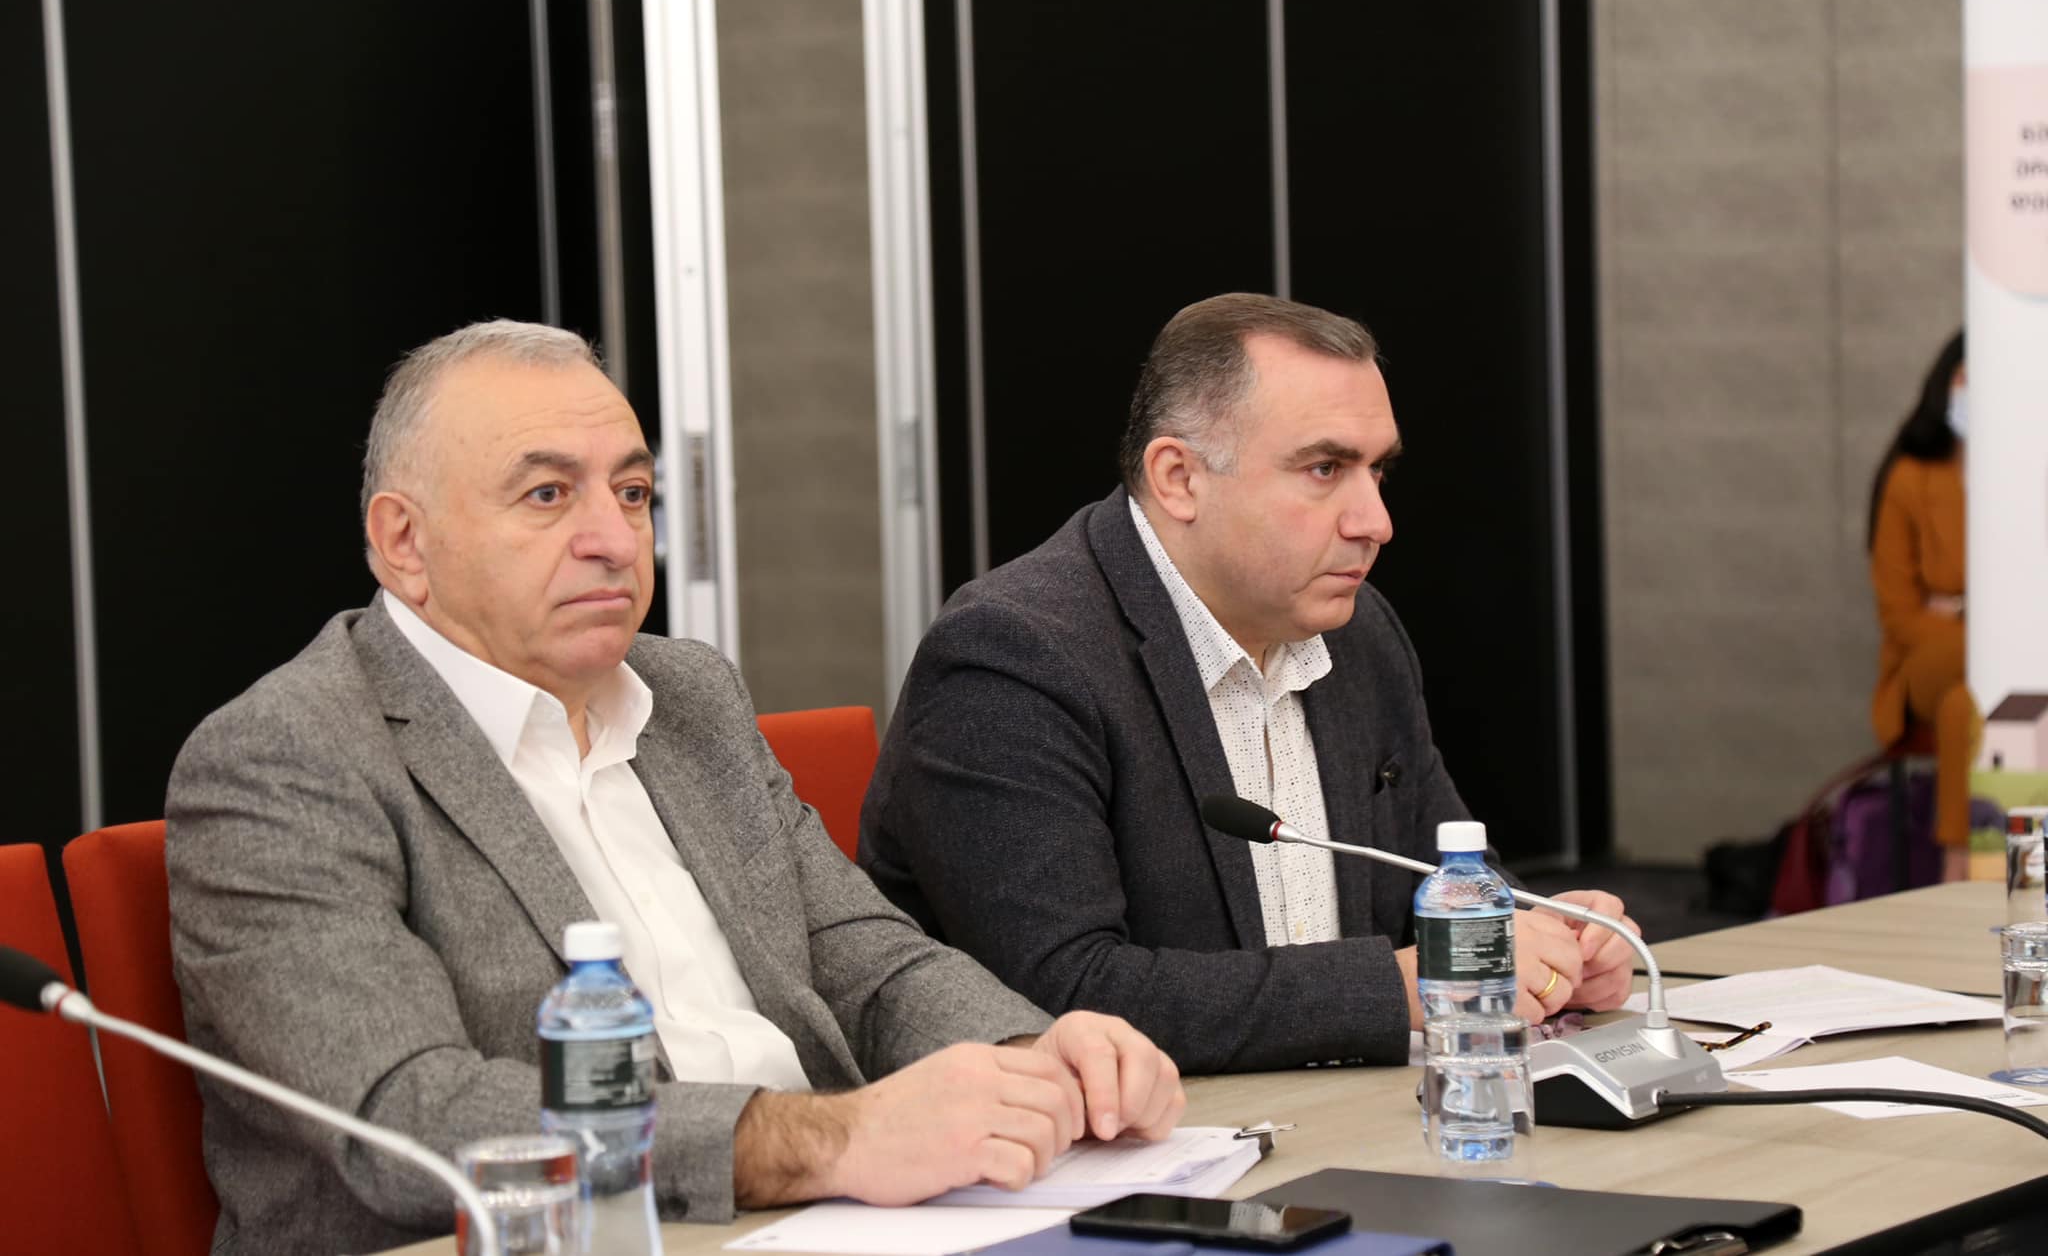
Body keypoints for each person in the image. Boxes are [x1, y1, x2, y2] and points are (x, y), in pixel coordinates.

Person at [165, 322, 1183, 1256]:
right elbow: (407, 1116)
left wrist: (1030, 1057)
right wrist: (828, 1141)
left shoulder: (689, 695)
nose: (615, 539)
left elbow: (863, 957)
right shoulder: (287, 757)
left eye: (633, 492)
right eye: (547, 495)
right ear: (404, 542)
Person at [858, 293, 1637, 1075]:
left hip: (1347, 1111)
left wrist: (1548, 938)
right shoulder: (1014, 657)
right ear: (1179, 478)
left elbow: (1445, 874)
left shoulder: (1358, 631)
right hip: (1116, 1134)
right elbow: (1064, 993)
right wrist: (1395, 987)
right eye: (1325, 469)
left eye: (1378, 471)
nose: (1375, 521)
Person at [1867, 330, 1971, 880]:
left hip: (1983, 675)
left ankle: (1962, 869)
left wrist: (1955, 604)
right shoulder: (1912, 477)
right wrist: (1978, 621)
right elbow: (1901, 615)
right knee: (1981, 674)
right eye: (1968, 378)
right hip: (1923, 662)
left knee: (1966, 709)